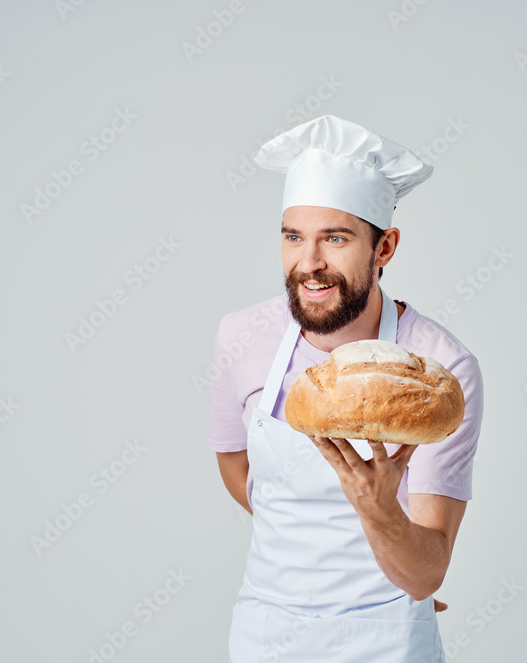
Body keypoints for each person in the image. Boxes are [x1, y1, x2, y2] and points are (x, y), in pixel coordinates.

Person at [206, 114, 484, 662]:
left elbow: (427, 570)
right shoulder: (241, 338)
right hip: (268, 633)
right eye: (293, 238)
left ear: (384, 249)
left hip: (386, 639)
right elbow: (236, 467)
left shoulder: (441, 372)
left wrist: (383, 525)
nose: (309, 264)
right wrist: (321, 559)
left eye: (335, 238)